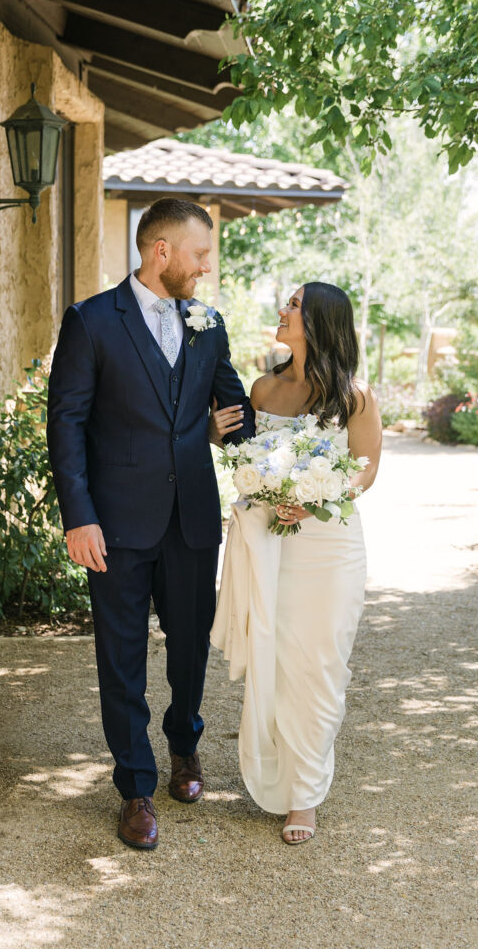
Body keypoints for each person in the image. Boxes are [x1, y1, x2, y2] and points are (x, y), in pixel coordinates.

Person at [47, 198, 254, 850]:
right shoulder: (91, 322)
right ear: (159, 251)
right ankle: (135, 786)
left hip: (191, 517)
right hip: (115, 523)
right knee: (122, 657)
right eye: (199, 256)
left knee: (191, 645)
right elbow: (68, 423)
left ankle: (184, 746)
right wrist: (79, 517)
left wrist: (293, 426)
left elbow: (235, 409)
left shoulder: (207, 323)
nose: (205, 269)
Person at [210, 282, 381, 845]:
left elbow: (365, 470)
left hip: (329, 547)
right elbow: (248, 456)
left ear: (321, 321)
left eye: (293, 305)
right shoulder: (262, 388)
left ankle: (304, 795)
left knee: (320, 665)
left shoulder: (354, 396)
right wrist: (217, 438)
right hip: (270, 542)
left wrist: (315, 496)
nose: (282, 311)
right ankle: (277, 775)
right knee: (276, 660)